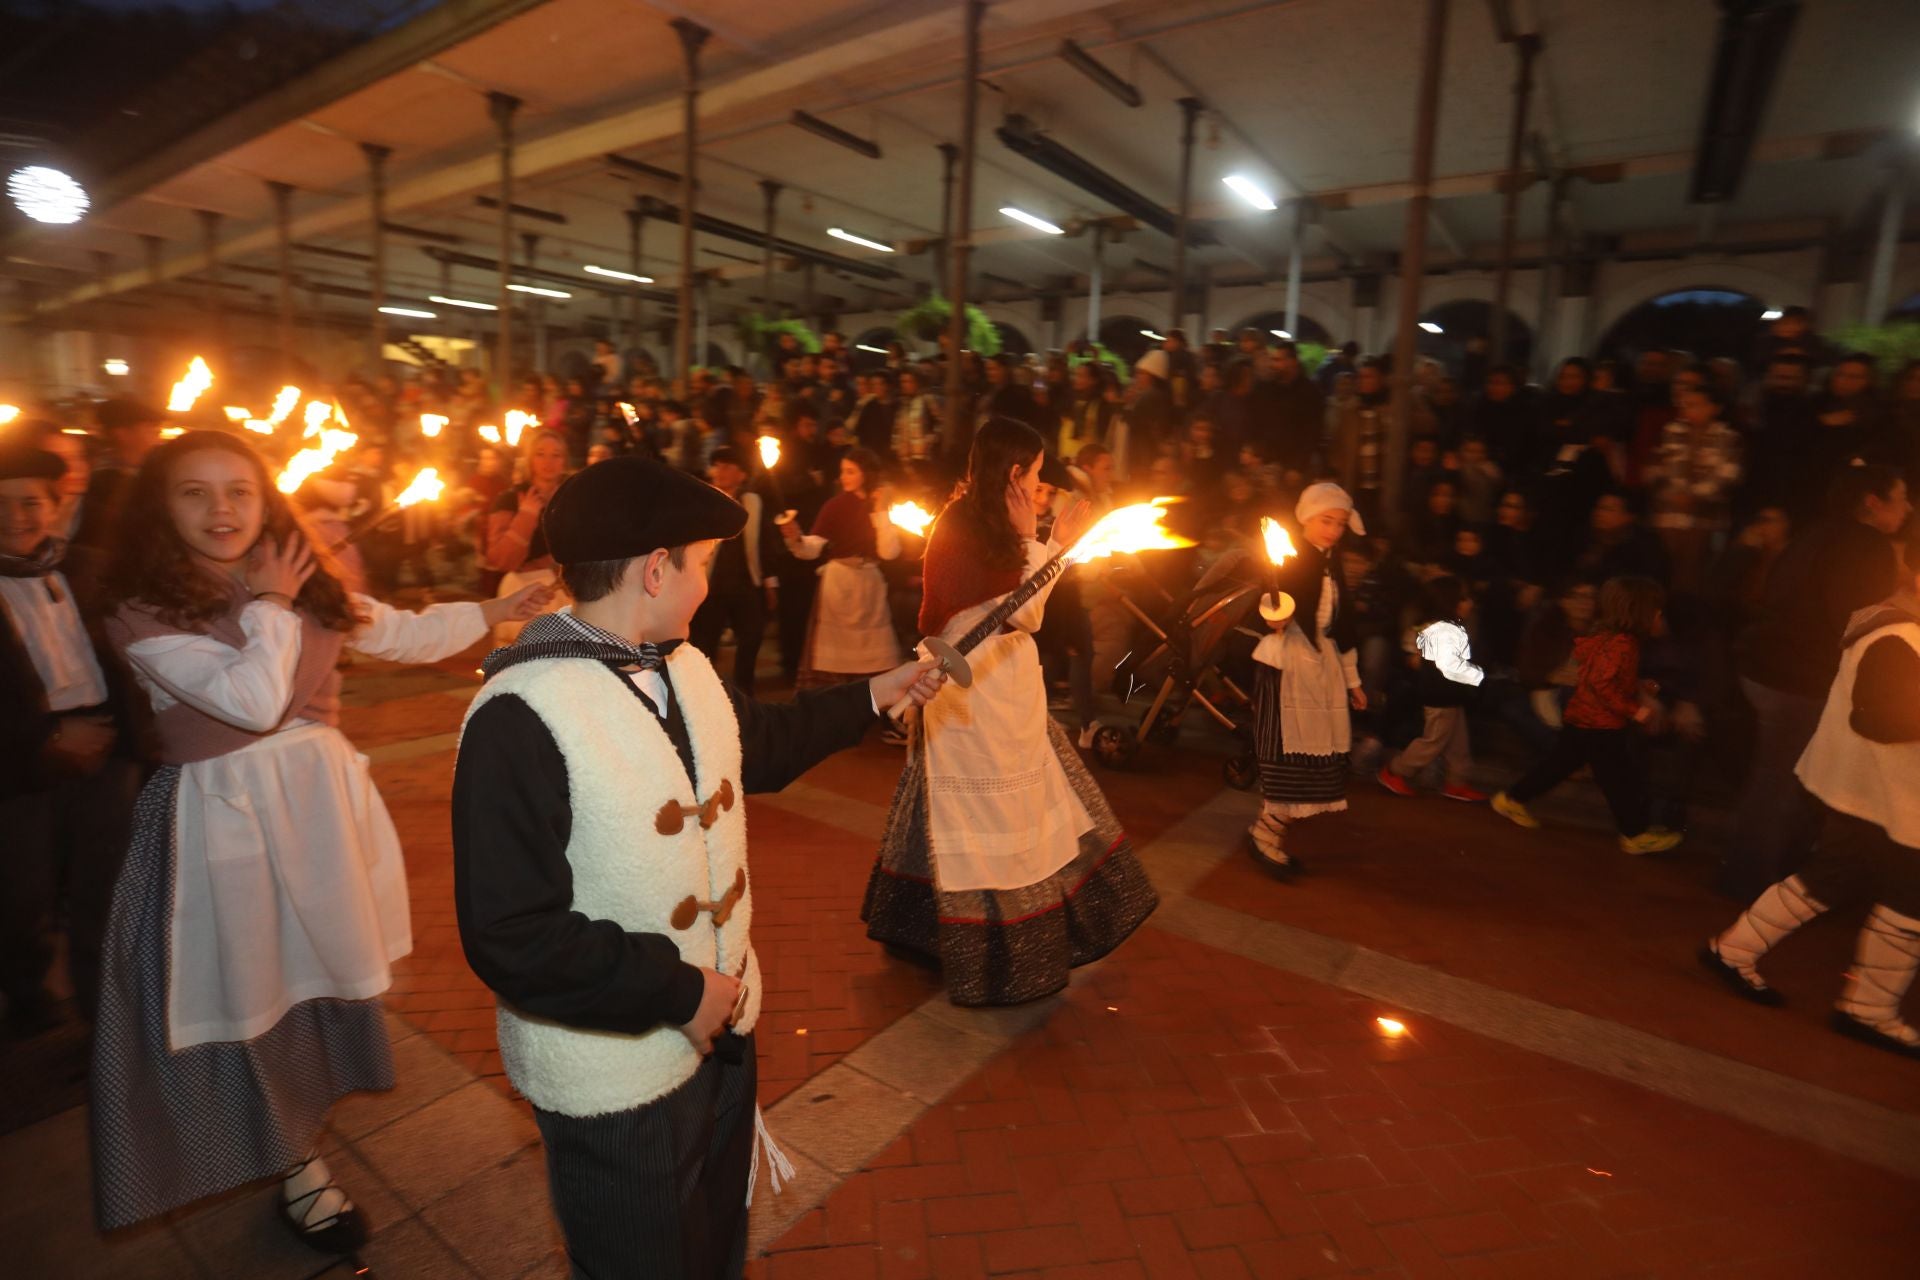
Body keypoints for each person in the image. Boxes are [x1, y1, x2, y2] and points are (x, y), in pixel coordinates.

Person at [452, 457, 947, 1278]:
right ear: (656, 570)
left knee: (713, 1242)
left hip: (721, 1038)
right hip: (616, 1071)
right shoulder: (520, 714)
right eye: (704, 565)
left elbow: (762, 742)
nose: (710, 587)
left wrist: (875, 694)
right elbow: (511, 933)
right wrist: (678, 991)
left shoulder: (679, 665)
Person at [88, 430, 551, 1246]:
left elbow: (396, 632)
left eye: (239, 489)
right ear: (159, 510)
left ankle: (300, 1146)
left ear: (267, 497)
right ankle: (297, 1165)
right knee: (248, 998)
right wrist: (269, 601)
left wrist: (493, 611)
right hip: (218, 824)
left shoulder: (299, 577)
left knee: (314, 992)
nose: (222, 509)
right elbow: (253, 701)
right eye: (194, 492)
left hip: (316, 818)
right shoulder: (139, 608)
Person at [863, 417, 1156, 1005]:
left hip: (1007, 690)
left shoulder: (998, 523)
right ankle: (989, 959)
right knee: (975, 818)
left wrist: (1048, 544)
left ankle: (919, 931)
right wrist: (1046, 543)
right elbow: (1026, 613)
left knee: (962, 807)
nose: (1044, 487)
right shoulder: (962, 523)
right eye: (1039, 474)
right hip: (971, 698)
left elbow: (1021, 603)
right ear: (1014, 472)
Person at [1700, 523, 1920, 1059]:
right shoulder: (1900, 636)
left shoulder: (1893, 625)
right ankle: (1867, 1009)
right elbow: (1881, 719)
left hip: (1864, 788)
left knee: (1834, 876)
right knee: (1908, 896)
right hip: (1889, 794)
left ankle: (1734, 949)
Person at [0, 443, 142, 1032]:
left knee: (101, 892)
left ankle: (101, 1014)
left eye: (31, 501)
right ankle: (27, 997)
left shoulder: (93, 567)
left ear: (57, 506)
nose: (16, 516)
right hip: (21, 765)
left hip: (108, 755)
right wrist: (50, 738)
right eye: (1, 504)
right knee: (20, 896)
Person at [1491, 576, 1685, 854]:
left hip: (1585, 718)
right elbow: (1601, 684)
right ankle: (1634, 834)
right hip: (1600, 724)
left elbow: (1600, 675)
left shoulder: (1605, 635)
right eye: (1654, 609)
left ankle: (1512, 799)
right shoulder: (1623, 643)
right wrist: (1635, 709)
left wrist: (1638, 685)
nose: (1658, 615)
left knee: (1562, 766)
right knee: (1618, 779)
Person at [1244, 483, 1370, 875]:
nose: (1333, 530)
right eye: (1326, 521)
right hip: (1287, 669)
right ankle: (1265, 835)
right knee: (1289, 757)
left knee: (1314, 761)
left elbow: (1341, 627)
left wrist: (1353, 681)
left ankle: (1266, 831)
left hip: (1321, 672)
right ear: (1307, 519)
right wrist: (1274, 617)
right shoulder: (1291, 559)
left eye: (1340, 523)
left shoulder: (1330, 566)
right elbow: (1264, 609)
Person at [777, 448, 904, 688]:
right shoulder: (835, 505)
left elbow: (889, 552)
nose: (844, 477)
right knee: (836, 662)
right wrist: (796, 538)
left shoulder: (881, 504)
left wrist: (881, 510)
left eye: (850, 471)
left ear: (866, 474)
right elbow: (812, 548)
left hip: (870, 586)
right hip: (840, 584)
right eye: (842, 472)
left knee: (876, 661)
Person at [1377, 575, 1488, 802]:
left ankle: (1456, 782)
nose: (1470, 603)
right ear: (1450, 601)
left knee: (1458, 743)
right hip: (1440, 697)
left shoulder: (1449, 628)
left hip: (1451, 696)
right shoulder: (1438, 630)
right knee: (1433, 742)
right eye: (1464, 598)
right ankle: (1395, 771)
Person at [689, 447, 775, 692]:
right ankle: (703, 692)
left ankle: (743, 691)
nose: (720, 471)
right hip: (710, 584)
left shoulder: (753, 502)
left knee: (752, 636)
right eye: (717, 465)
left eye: (727, 466)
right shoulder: (705, 500)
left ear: (742, 475)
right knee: (705, 642)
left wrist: (770, 582)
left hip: (745, 582)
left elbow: (764, 543)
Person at [485, 429, 572, 643]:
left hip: (565, 593)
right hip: (522, 593)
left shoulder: (573, 498)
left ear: (564, 461)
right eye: (540, 454)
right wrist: (527, 515)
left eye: (556, 455)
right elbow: (500, 559)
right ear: (530, 458)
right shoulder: (509, 500)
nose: (548, 462)